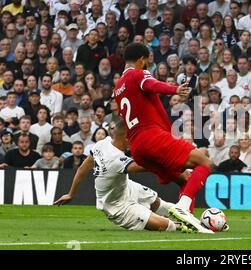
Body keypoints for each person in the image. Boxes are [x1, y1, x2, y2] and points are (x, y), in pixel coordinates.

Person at [113, 43, 215, 229]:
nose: (147, 66)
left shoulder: (118, 87)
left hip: (137, 148)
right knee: (205, 163)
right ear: (141, 60)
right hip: (152, 137)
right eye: (146, 62)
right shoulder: (137, 73)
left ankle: (187, 221)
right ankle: (183, 208)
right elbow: (150, 84)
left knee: (184, 179)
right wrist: (174, 89)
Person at [54, 118, 199, 233]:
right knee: (165, 225)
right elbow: (147, 166)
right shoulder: (116, 159)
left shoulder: (101, 144)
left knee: (156, 202)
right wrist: (177, 163)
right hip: (117, 206)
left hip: (125, 187)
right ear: (126, 137)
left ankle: (189, 218)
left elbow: (81, 170)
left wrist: (71, 194)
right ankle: (188, 225)